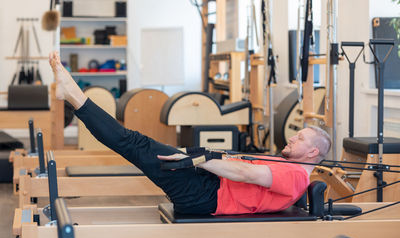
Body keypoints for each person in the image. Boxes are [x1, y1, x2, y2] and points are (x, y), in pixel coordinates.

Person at [49, 52, 331, 215]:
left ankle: (73, 95)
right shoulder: (290, 168)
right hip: (209, 186)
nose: (293, 137)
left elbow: (247, 174)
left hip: (206, 195)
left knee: (131, 142)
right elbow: (244, 170)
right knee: (133, 142)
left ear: (313, 152)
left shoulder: (296, 175)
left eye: (301, 138)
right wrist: (202, 158)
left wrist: (196, 158)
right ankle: (73, 95)